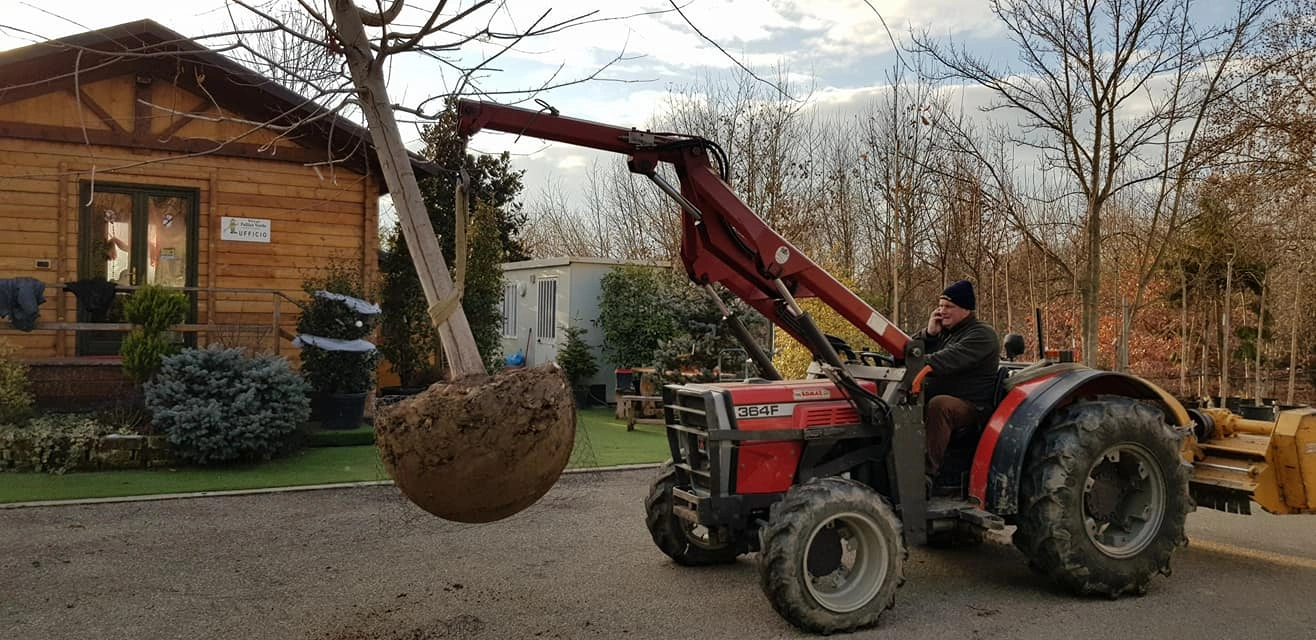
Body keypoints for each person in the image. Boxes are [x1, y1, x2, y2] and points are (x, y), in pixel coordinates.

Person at [909, 279, 1001, 483]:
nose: (942, 311)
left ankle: (924, 476)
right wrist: (928, 334)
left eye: (949, 306)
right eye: (940, 306)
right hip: (951, 398)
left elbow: (943, 361)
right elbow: (909, 351)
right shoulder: (943, 333)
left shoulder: (982, 335)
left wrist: (911, 363)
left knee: (940, 405)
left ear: (966, 309)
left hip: (973, 407)